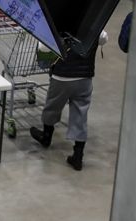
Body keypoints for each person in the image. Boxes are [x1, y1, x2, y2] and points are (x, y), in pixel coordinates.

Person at [30, 31, 108, 171]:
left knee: (52, 107)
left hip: (61, 76)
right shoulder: (94, 24)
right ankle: (78, 155)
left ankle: (46, 137)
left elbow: (43, 48)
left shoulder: (60, 26)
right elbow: (103, 39)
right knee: (80, 113)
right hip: (85, 78)